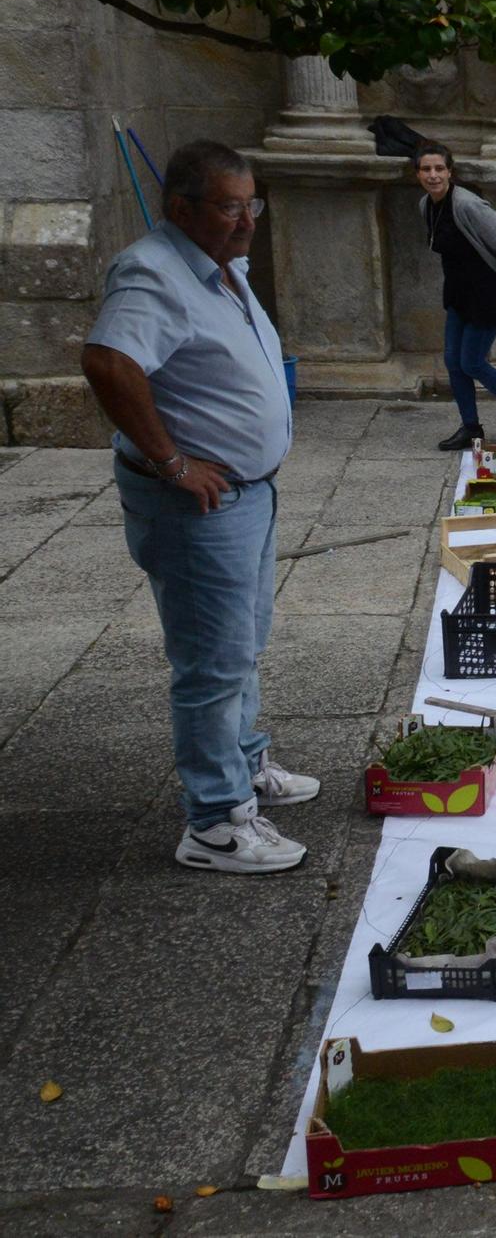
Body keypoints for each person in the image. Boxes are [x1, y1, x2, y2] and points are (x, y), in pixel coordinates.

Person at [80, 140, 320, 874]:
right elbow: (107, 360)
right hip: (199, 506)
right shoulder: (154, 273)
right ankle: (215, 822)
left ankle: (245, 765)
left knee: (242, 640)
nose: (248, 220)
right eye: (230, 205)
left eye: (254, 203)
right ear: (180, 208)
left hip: (248, 492)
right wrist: (172, 461)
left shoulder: (221, 266)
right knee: (212, 660)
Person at [414, 142, 496, 452]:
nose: (433, 175)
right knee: (453, 362)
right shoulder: (426, 205)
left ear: (450, 171)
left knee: (471, 362)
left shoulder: (468, 205)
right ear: (417, 174)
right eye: (426, 169)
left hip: (488, 294)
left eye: (439, 168)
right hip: (458, 293)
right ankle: (471, 428)